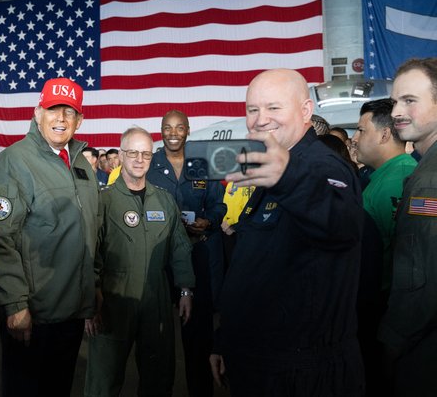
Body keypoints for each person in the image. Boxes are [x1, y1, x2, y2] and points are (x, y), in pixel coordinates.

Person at [209, 69, 364, 396]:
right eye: (253, 109)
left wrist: (290, 177)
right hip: (259, 362)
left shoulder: (321, 166)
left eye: (274, 108)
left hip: (303, 375)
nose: (260, 120)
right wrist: (226, 340)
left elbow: (342, 226)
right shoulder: (273, 170)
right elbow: (252, 267)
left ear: (305, 111)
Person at [0, 77, 99, 397]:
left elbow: (91, 231)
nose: (61, 118)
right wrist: (15, 304)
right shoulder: (13, 163)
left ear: (80, 119)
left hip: (71, 312)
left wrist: (94, 286)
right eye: (53, 109)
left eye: (69, 112)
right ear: (37, 113)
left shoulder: (82, 167)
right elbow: (0, 240)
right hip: (34, 313)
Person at [84, 127, 195, 396]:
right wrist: (90, 298)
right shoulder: (103, 200)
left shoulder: (165, 200)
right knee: (103, 380)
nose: (139, 159)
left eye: (145, 153)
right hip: (112, 299)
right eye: (132, 152)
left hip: (155, 299)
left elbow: (179, 247)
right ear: (121, 155)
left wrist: (185, 289)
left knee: (159, 378)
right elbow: (89, 252)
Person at [147, 109, 225, 397]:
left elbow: (219, 205)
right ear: (161, 131)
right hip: (159, 260)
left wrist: (210, 221)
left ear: (188, 130)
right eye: (167, 128)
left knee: (198, 335)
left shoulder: (203, 164)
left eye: (179, 128)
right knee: (157, 336)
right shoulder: (150, 164)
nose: (173, 133)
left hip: (197, 256)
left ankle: (200, 389)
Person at [378, 57, 437, 397]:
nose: (397, 111)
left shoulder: (429, 179)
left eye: (410, 101)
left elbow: (424, 278)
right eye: (395, 101)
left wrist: (392, 340)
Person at [351, 98, 417, 396]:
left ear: (385, 134)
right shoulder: (382, 177)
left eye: (361, 130)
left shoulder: (397, 181)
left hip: (384, 310)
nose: (354, 137)